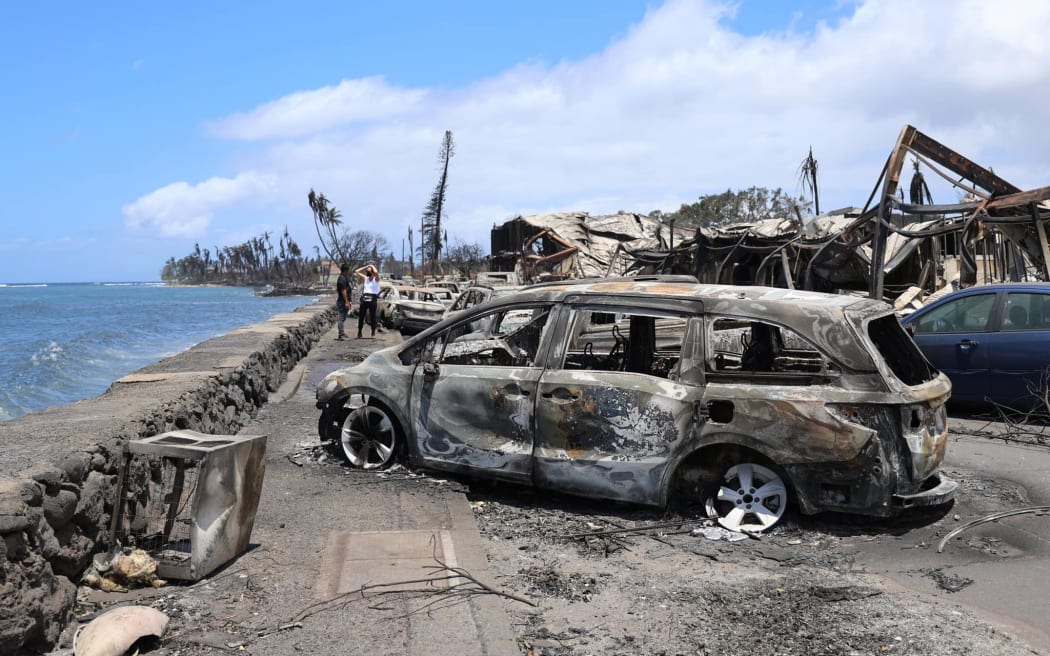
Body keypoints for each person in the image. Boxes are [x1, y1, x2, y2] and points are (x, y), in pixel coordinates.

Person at [355, 263, 380, 338]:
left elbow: (376, 272)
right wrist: (366, 266)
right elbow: (357, 271)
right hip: (365, 298)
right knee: (361, 315)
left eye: (369, 271)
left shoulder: (376, 280)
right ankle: (359, 330)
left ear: (372, 272)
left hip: (373, 298)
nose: (367, 272)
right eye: (367, 271)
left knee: (373, 316)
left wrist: (372, 266)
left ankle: (373, 330)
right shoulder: (366, 279)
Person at [335, 264, 352, 340]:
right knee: (341, 318)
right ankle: (341, 334)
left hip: (344, 300)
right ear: (345, 271)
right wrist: (346, 301)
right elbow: (343, 291)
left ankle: (342, 332)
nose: (349, 272)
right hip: (342, 301)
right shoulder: (342, 279)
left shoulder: (344, 278)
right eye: (348, 270)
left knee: (343, 318)